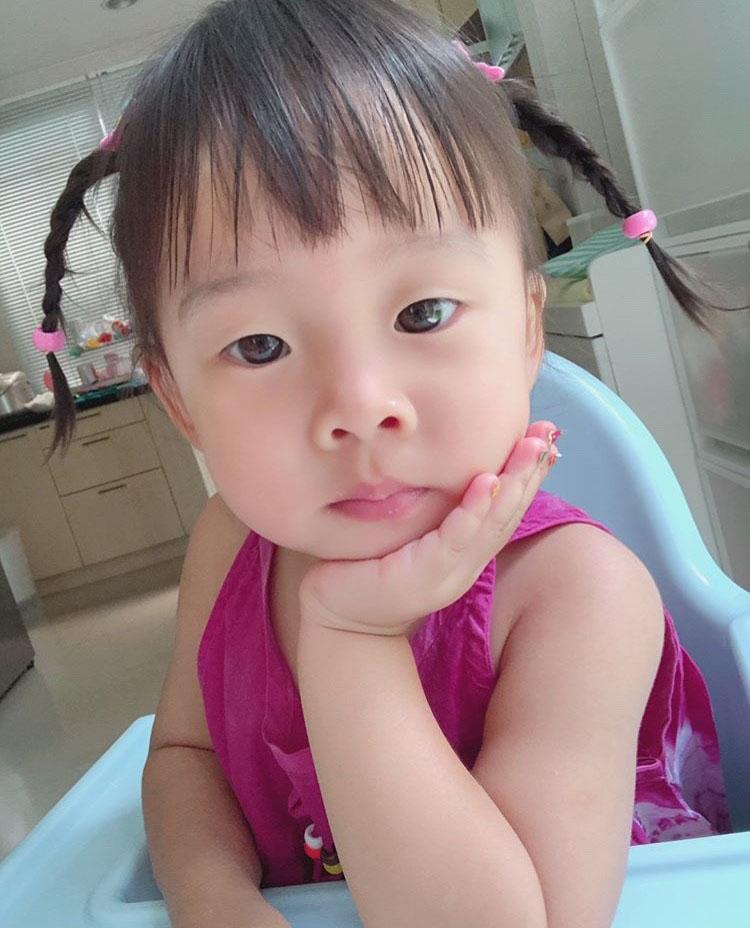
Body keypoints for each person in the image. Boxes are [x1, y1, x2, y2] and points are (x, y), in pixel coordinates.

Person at [34, 2, 734, 926]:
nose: (360, 405)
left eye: (422, 313)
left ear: (528, 329)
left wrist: (352, 637)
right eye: (258, 346)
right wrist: (211, 896)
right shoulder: (230, 542)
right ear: (179, 402)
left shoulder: (579, 595)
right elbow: (184, 758)